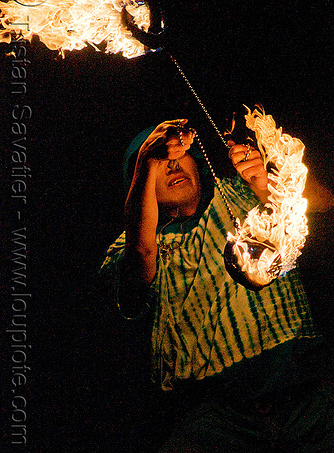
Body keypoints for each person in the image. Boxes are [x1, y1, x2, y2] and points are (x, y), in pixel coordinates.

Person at [101, 119, 334, 452]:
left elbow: (324, 202)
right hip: (214, 422)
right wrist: (146, 161)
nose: (171, 165)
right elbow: (142, 254)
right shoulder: (125, 246)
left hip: (308, 397)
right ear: (139, 181)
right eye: (157, 160)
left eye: (179, 156)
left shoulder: (238, 193)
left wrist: (265, 183)